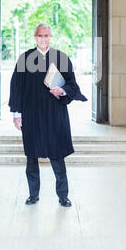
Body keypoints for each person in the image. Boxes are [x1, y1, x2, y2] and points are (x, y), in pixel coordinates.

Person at [8, 22, 87, 207]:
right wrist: (16, 114)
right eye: (40, 36)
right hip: (32, 114)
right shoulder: (25, 59)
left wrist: (63, 90)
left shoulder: (61, 58)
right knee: (32, 157)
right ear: (35, 37)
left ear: (50, 37)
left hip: (54, 114)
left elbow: (73, 85)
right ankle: (33, 194)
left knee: (57, 155)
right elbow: (16, 87)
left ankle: (63, 195)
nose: (43, 39)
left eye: (46, 36)